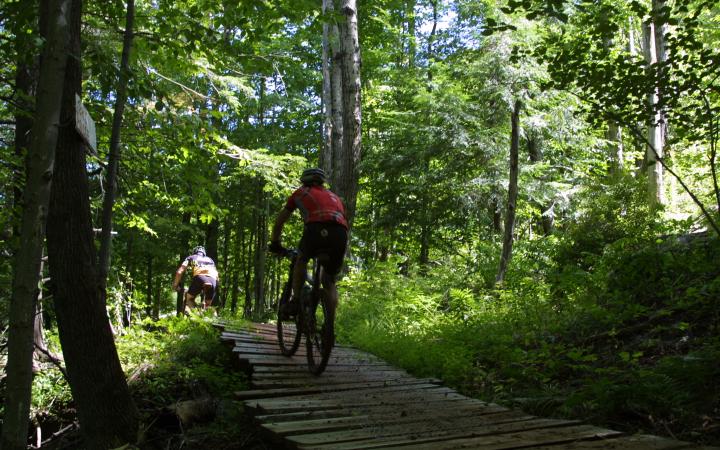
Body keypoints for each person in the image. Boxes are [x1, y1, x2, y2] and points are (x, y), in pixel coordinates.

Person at [269, 168, 348, 322]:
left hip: (316, 229)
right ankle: (330, 327)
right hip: (340, 234)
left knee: (301, 259)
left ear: (304, 180)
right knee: (329, 280)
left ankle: (296, 299)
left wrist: (275, 243)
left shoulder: (301, 193)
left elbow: (279, 222)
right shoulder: (335, 197)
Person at [172, 245, 219, 313]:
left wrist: (175, 285)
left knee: (189, 299)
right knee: (208, 305)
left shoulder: (191, 257)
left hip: (200, 278)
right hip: (213, 280)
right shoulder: (211, 260)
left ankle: (197, 314)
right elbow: (217, 276)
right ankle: (214, 319)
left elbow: (179, 272)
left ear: (194, 252)